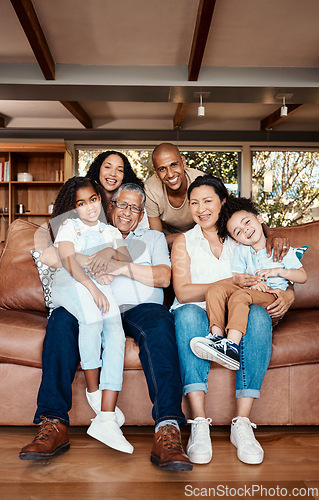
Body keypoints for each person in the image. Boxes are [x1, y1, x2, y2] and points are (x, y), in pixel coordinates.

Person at [19, 183, 192, 471]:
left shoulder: (153, 238)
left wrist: (118, 266)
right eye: (122, 204)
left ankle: (167, 429)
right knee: (61, 320)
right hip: (94, 304)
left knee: (162, 325)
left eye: (135, 208)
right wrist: (89, 259)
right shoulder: (89, 226)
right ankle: (53, 423)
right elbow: (52, 255)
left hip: (141, 309)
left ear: (142, 214)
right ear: (110, 206)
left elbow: (163, 277)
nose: (128, 212)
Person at [170, 174, 295, 466]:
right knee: (187, 314)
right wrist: (230, 280)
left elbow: (274, 270)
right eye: (194, 203)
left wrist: (288, 295)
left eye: (208, 201)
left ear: (223, 201)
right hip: (197, 311)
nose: (201, 208)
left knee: (259, 316)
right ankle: (199, 423)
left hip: (237, 313)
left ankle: (242, 423)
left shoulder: (241, 235)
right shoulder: (184, 242)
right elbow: (183, 291)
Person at [50, 176, 133, 454]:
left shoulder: (109, 231)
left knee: (116, 334)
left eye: (93, 200)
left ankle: (106, 417)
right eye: (81, 204)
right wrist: (91, 286)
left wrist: (110, 251)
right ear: (73, 208)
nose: (89, 208)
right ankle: (93, 391)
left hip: (98, 284)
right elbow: (68, 259)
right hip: (70, 284)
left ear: (100, 197)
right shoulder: (69, 226)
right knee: (93, 318)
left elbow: (126, 257)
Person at [190, 196, 307, 371]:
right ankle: (217, 338)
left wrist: (278, 272)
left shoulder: (281, 249)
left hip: (273, 298)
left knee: (240, 296)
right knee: (215, 289)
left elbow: (302, 277)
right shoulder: (242, 252)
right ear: (237, 240)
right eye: (238, 232)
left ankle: (231, 347)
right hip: (253, 294)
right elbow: (240, 278)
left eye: (247, 222)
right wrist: (252, 285)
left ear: (259, 219)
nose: (245, 230)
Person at [144, 143, 204, 247]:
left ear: (183, 163)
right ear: (156, 172)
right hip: (168, 239)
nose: (170, 174)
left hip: (201, 238)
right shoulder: (150, 189)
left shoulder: (202, 182)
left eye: (174, 165)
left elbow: (212, 228)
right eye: (162, 169)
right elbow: (157, 240)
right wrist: (188, 236)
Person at [86, 150, 149, 228]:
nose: (113, 174)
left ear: (125, 175)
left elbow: (144, 232)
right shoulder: (85, 201)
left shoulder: (135, 204)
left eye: (119, 170)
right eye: (108, 167)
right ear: (98, 169)